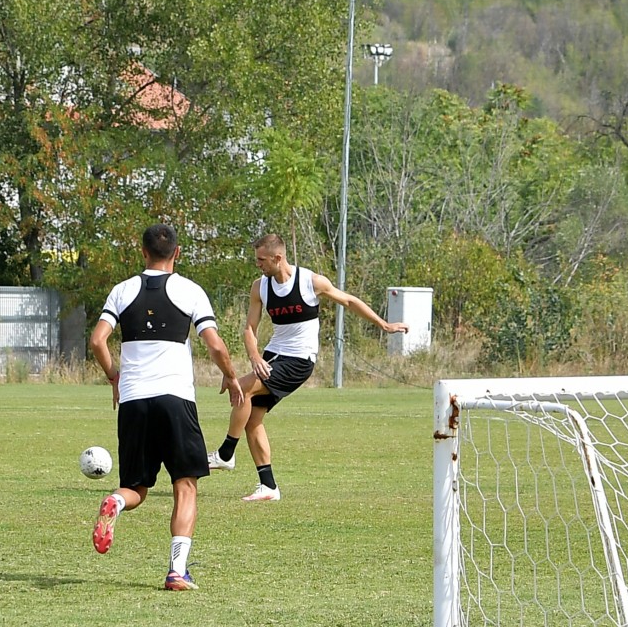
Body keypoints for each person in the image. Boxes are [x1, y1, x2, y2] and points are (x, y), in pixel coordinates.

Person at [88, 222, 237, 590]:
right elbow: (215, 345)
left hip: (135, 401)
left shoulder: (122, 291)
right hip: (175, 399)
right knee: (185, 485)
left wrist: (113, 376)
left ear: (142, 252)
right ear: (177, 253)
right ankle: (176, 571)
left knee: (136, 488)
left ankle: (114, 502)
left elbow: (97, 340)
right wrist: (232, 376)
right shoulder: (190, 291)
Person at [210, 233, 406, 501]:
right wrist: (255, 356)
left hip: (299, 360)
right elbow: (249, 329)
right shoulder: (260, 287)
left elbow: (348, 301)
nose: (258, 265)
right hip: (273, 356)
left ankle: (225, 454)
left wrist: (384, 325)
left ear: (278, 258)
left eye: (262, 260)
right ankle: (268, 486)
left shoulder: (310, 282)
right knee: (252, 420)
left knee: (242, 389)